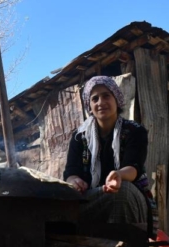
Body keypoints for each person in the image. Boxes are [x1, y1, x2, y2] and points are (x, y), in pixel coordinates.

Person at [63, 76, 157, 236]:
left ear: (116, 99)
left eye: (106, 95)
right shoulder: (79, 137)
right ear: (89, 106)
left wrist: (119, 175)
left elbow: (133, 167)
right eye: (95, 99)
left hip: (128, 195)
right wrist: (74, 181)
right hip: (93, 197)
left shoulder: (135, 131)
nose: (101, 102)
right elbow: (71, 172)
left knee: (121, 192)